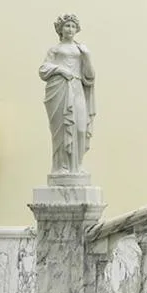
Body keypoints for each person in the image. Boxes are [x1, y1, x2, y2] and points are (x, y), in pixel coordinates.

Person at [39, 14, 96, 176]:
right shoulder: (55, 50)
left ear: (77, 29)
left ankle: (77, 166)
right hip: (60, 90)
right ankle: (60, 167)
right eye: (67, 26)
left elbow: (90, 76)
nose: (70, 29)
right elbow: (43, 70)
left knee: (79, 128)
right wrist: (60, 70)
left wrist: (87, 56)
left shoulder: (81, 50)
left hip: (77, 87)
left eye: (72, 26)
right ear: (60, 29)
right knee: (62, 128)